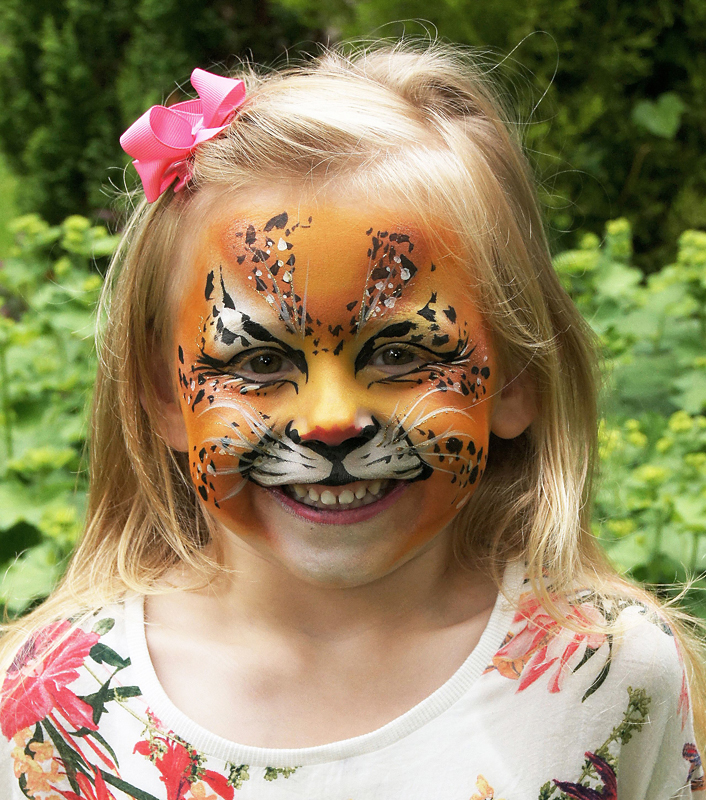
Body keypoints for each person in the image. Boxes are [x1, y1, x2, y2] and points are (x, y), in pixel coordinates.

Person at [0, 41, 703, 800]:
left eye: (401, 353)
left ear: (517, 377)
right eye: (259, 363)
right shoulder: (54, 709)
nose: (330, 422)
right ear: (163, 396)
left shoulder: (611, 677)